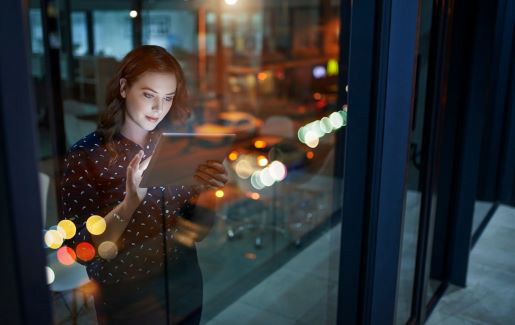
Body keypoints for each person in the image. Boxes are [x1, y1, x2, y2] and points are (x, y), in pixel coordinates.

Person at [58, 45, 228, 324]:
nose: (158, 108)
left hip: (183, 287)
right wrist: (129, 204)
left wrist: (209, 189)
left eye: (168, 98)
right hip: (126, 300)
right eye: (148, 95)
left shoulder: (173, 146)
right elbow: (81, 249)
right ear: (124, 88)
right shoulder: (87, 155)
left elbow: (197, 230)